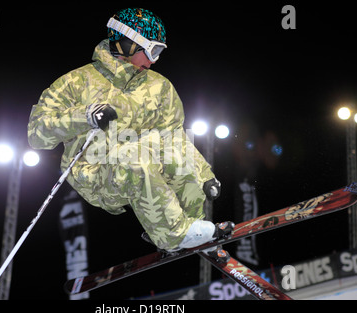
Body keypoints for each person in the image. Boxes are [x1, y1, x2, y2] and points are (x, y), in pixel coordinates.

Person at [28, 8, 233, 252]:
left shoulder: (160, 87)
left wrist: (203, 174)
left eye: (160, 52)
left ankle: (192, 227)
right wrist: (85, 116)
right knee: (137, 161)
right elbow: (36, 135)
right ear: (127, 44)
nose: (154, 60)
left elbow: (175, 137)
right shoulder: (75, 82)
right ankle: (173, 236)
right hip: (94, 172)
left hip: (139, 163)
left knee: (176, 157)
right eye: (153, 50)